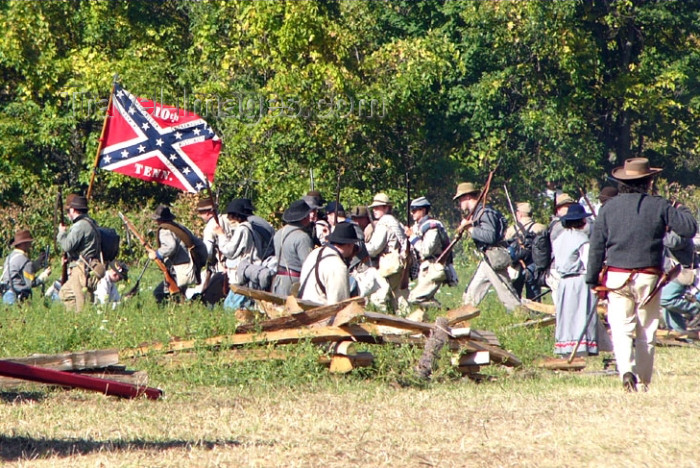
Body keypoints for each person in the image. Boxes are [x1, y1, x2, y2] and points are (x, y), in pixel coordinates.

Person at [586, 158, 697, 392]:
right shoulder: (659, 205)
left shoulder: (608, 208)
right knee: (646, 329)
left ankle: (626, 371)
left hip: (616, 276)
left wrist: (592, 278)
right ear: (648, 181)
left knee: (620, 327)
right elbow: (688, 228)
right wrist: (679, 208)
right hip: (649, 276)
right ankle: (644, 382)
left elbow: (597, 246)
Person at [454, 182, 521, 312]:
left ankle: (523, 317)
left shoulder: (484, 212)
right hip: (488, 258)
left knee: (508, 295)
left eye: (460, 199)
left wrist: (470, 228)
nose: (459, 203)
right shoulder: (479, 213)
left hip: (494, 257)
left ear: (467, 197)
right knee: (472, 293)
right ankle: (462, 317)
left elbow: (490, 237)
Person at [552, 203, 598, 357]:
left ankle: (566, 348)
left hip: (563, 282)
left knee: (567, 316)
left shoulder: (559, 238)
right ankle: (581, 348)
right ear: (581, 221)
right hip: (579, 281)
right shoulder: (582, 239)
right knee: (580, 314)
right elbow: (587, 263)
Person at [147, 205, 205, 303]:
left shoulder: (165, 230)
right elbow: (199, 244)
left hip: (176, 268)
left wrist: (157, 254)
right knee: (180, 294)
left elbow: (171, 246)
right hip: (187, 266)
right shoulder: (179, 227)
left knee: (160, 293)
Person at [405, 196, 457, 307]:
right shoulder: (418, 227)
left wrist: (412, 237)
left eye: (414, 210)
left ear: (423, 210)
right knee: (425, 300)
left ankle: (443, 310)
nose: (412, 213)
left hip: (434, 266)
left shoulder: (431, 227)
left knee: (414, 298)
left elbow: (426, 250)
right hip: (425, 268)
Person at [57, 195, 103, 312]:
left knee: (82, 303)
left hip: (82, 268)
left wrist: (61, 234)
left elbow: (67, 245)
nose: (67, 214)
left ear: (73, 210)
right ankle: (73, 320)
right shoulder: (91, 223)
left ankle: (80, 323)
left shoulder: (80, 226)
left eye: (68, 210)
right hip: (87, 265)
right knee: (65, 293)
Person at [298, 223, 362, 305]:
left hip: (303, 306)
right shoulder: (338, 266)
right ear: (350, 244)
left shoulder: (314, 252)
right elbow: (339, 303)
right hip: (320, 312)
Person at [365, 192, 408, 312]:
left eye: (378, 207)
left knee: (378, 297)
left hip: (389, 264)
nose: (375, 210)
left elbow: (374, 248)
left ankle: (384, 321)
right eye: (374, 208)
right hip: (399, 262)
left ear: (386, 208)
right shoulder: (395, 222)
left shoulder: (384, 222)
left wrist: (360, 247)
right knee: (399, 298)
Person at [214, 199, 261, 309]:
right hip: (249, 271)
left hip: (244, 272)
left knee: (231, 307)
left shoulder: (242, 229)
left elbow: (229, 251)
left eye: (231, 215)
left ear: (236, 215)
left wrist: (221, 235)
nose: (228, 218)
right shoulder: (250, 227)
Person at [271, 199, 314, 296]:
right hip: (293, 283)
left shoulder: (279, 233)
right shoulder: (303, 237)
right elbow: (308, 265)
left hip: (278, 281)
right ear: (304, 218)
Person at [504, 202, 546, 300]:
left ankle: (516, 314)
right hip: (534, 266)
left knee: (514, 296)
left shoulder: (512, 229)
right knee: (534, 296)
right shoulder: (541, 228)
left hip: (516, 267)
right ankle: (535, 313)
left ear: (520, 214)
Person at [1, 230, 51, 304]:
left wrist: (39, 262)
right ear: (24, 244)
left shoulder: (10, 257)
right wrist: (44, 276)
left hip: (6, 294)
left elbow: (23, 270)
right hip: (17, 297)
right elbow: (31, 283)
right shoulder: (24, 260)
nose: (30, 245)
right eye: (29, 243)